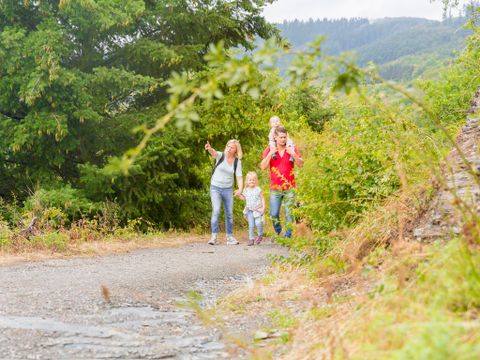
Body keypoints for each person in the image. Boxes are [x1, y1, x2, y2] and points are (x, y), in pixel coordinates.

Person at [260, 126, 304, 239]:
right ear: (275, 137)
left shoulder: (291, 148)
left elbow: (301, 164)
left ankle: (288, 236)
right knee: (273, 214)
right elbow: (263, 166)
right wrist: (270, 154)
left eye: (285, 137)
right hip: (275, 187)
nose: (283, 139)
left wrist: (293, 154)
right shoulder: (270, 149)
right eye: (281, 137)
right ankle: (279, 231)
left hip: (289, 186)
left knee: (289, 213)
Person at [205, 139, 243, 245]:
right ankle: (214, 236)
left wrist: (240, 190)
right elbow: (214, 153)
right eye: (228, 146)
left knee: (229, 213)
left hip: (228, 189)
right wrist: (209, 148)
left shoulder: (237, 162)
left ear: (236, 150)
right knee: (216, 210)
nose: (229, 148)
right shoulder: (220, 156)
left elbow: (239, 177)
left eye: (232, 147)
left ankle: (230, 237)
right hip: (215, 187)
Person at [237, 171, 265, 246]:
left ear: (255, 181)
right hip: (249, 210)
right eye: (250, 180)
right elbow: (244, 198)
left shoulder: (258, 189)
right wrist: (239, 195)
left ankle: (260, 235)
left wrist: (263, 208)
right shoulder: (246, 190)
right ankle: (251, 239)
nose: (251, 181)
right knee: (251, 225)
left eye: (253, 180)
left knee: (258, 223)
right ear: (247, 181)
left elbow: (262, 198)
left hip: (258, 210)